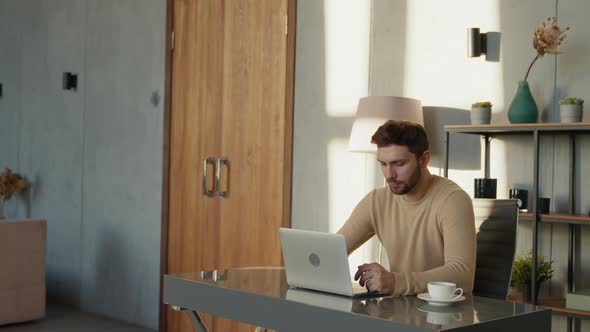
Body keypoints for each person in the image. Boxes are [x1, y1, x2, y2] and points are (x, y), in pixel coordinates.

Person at [337, 120, 476, 295]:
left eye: (399, 164)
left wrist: (396, 282)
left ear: (424, 159)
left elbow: (462, 275)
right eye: (383, 164)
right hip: (400, 309)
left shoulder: (453, 200)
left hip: (446, 315)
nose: (389, 175)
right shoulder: (377, 201)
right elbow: (334, 249)